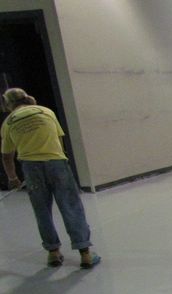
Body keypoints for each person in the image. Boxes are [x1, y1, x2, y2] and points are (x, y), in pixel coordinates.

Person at [1, 88, 100, 268]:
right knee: (70, 207)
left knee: (42, 211)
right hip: (57, 164)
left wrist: (13, 178)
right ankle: (85, 254)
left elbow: (7, 156)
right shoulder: (46, 112)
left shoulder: (8, 122)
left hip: (31, 168)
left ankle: (53, 253)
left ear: (8, 104)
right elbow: (59, 141)